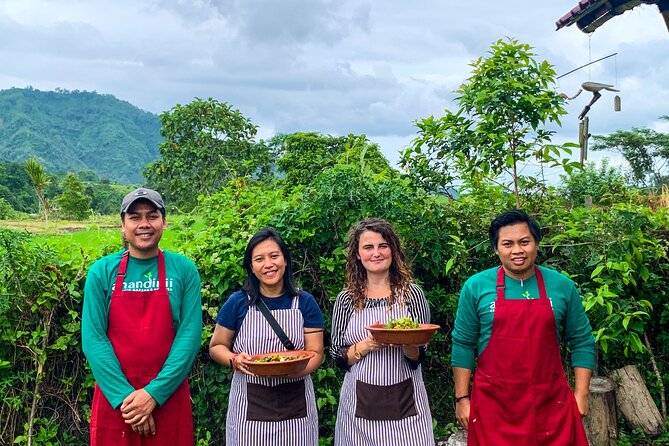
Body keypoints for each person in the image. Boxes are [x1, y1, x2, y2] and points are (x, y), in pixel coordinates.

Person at [451, 209, 595, 446]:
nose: (517, 250)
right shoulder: (476, 287)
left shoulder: (562, 286)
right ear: (496, 248)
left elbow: (582, 341)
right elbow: (463, 343)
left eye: (524, 242)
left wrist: (581, 395)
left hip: (551, 405)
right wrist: (462, 398)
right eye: (507, 244)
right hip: (493, 407)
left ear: (536, 244)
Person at [82, 187, 202, 445]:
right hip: (117, 402)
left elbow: (189, 337)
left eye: (152, 215)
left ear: (164, 222)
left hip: (168, 396)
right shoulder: (102, 271)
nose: (144, 224)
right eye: (135, 217)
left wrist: (154, 394)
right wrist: (128, 400)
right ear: (123, 226)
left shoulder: (183, 270)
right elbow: (94, 339)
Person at [209, 227, 324, 445]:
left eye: (274, 256)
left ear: (285, 260)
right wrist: (234, 359)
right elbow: (217, 347)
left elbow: (316, 352)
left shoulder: (305, 302)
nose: (268, 264)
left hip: (297, 404)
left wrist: (293, 369)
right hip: (249, 410)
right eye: (259, 259)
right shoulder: (237, 302)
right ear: (251, 267)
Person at [330, 218, 434, 446]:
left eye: (382, 246)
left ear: (392, 250)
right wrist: (366, 345)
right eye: (368, 247)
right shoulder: (346, 299)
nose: (376, 253)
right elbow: (337, 355)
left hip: (407, 405)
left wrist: (408, 343)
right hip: (358, 408)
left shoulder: (412, 295)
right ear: (357, 254)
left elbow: (420, 357)